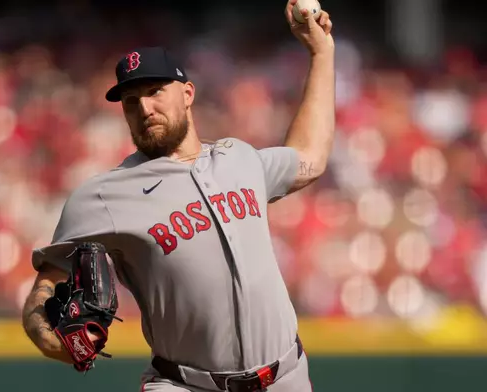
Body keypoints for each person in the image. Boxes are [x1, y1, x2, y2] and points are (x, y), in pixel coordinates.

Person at [22, 1, 335, 390]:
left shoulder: (239, 158)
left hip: (286, 377)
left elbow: (310, 157)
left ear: (187, 93)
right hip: (184, 384)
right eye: (131, 100)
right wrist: (45, 335)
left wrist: (321, 53)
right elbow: (44, 289)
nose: (145, 107)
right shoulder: (101, 196)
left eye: (155, 91)